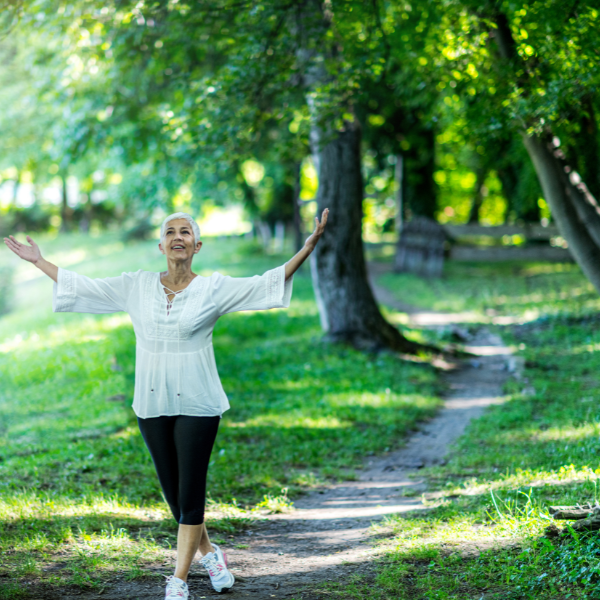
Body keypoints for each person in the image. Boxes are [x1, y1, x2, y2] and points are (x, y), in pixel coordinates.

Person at [3, 208, 329, 599]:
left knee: (191, 494)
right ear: (161, 245)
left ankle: (178, 580)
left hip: (199, 401)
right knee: (175, 497)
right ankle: (211, 555)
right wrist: (39, 262)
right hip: (151, 401)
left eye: (186, 232)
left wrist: (307, 246)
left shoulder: (214, 289)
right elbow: (85, 286)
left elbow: (266, 283)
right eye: (170, 232)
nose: (178, 237)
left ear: (197, 245)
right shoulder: (136, 286)